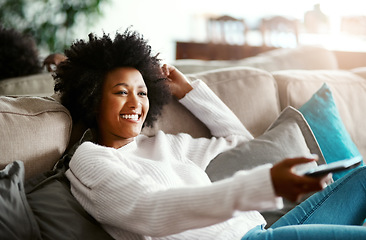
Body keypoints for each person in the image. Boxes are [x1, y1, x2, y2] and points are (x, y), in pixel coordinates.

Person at [54, 29, 366, 240]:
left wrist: (191, 94)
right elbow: (152, 210)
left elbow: (240, 143)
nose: (136, 103)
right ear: (92, 97)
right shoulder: (90, 160)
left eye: (143, 92)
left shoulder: (164, 146)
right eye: (122, 92)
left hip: (264, 230)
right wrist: (266, 184)